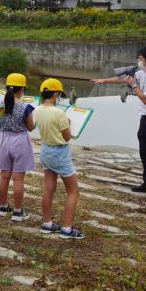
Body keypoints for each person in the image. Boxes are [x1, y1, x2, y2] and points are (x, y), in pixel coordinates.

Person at [93, 45, 146, 198]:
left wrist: (134, 85)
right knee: (145, 153)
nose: (139, 62)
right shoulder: (144, 72)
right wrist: (103, 80)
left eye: (140, 59)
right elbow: (124, 78)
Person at [34, 78, 84, 239]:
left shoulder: (37, 110)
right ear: (55, 94)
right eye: (59, 96)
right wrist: (68, 124)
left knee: (49, 188)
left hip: (46, 150)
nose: (59, 98)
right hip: (59, 153)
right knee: (73, 191)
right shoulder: (59, 112)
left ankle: (47, 223)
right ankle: (67, 228)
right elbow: (67, 137)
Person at [0, 73, 36, 221]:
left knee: (4, 176)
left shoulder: (0, 104)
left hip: (3, 139)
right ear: (22, 89)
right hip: (19, 142)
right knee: (18, 179)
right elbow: (30, 127)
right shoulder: (26, 107)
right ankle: (18, 212)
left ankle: (3, 207)